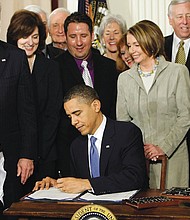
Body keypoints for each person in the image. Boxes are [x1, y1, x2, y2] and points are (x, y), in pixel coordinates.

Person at [33, 84, 148, 195]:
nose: (73, 122)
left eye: (77, 113)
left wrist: (88, 184)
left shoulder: (126, 132)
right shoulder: (77, 145)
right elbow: (77, 183)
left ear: (96, 106)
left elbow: (135, 177)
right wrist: (58, 184)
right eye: (70, 117)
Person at [116, 20, 190, 189]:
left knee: (173, 211)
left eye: (136, 44)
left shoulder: (177, 72)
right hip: (138, 161)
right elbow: (123, 122)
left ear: (150, 40)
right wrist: (137, 150)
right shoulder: (124, 79)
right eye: (129, 45)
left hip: (173, 160)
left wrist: (163, 147)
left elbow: (185, 116)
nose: (132, 50)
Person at [54, 12, 118, 178]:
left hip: (108, 150)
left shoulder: (109, 67)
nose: (79, 42)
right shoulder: (53, 68)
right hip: (70, 152)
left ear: (92, 36)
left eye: (83, 36)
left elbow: (113, 109)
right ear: (65, 38)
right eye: (73, 36)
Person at [7, 10, 63, 185]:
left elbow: (53, 113)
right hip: (15, 154)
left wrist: (37, 151)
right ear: (14, 37)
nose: (30, 43)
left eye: (35, 37)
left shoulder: (51, 67)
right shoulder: (6, 67)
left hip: (46, 153)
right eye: (24, 36)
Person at [0, 35, 37, 218]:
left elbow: (27, 111)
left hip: (11, 156)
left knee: (10, 209)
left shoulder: (15, 56)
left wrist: (27, 154)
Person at [164, 0, 190, 185]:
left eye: (189, 16)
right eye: (180, 16)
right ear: (170, 20)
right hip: (167, 135)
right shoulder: (158, 47)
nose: (185, 21)